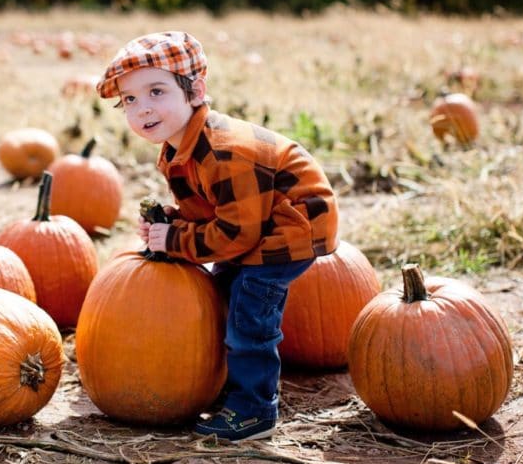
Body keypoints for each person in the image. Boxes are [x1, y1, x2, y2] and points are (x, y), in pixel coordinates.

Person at [95, 31, 340, 441]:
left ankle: (255, 411)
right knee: (221, 292)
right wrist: (174, 222)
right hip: (254, 226)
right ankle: (232, 384)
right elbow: (211, 208)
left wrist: (174, 241)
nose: (142, 109)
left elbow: (235, 233)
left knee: (249, 316)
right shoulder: (178, 148)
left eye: (156, 91)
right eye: (130, 100)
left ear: (196, 91)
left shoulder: (227, 152)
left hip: (288, 230)